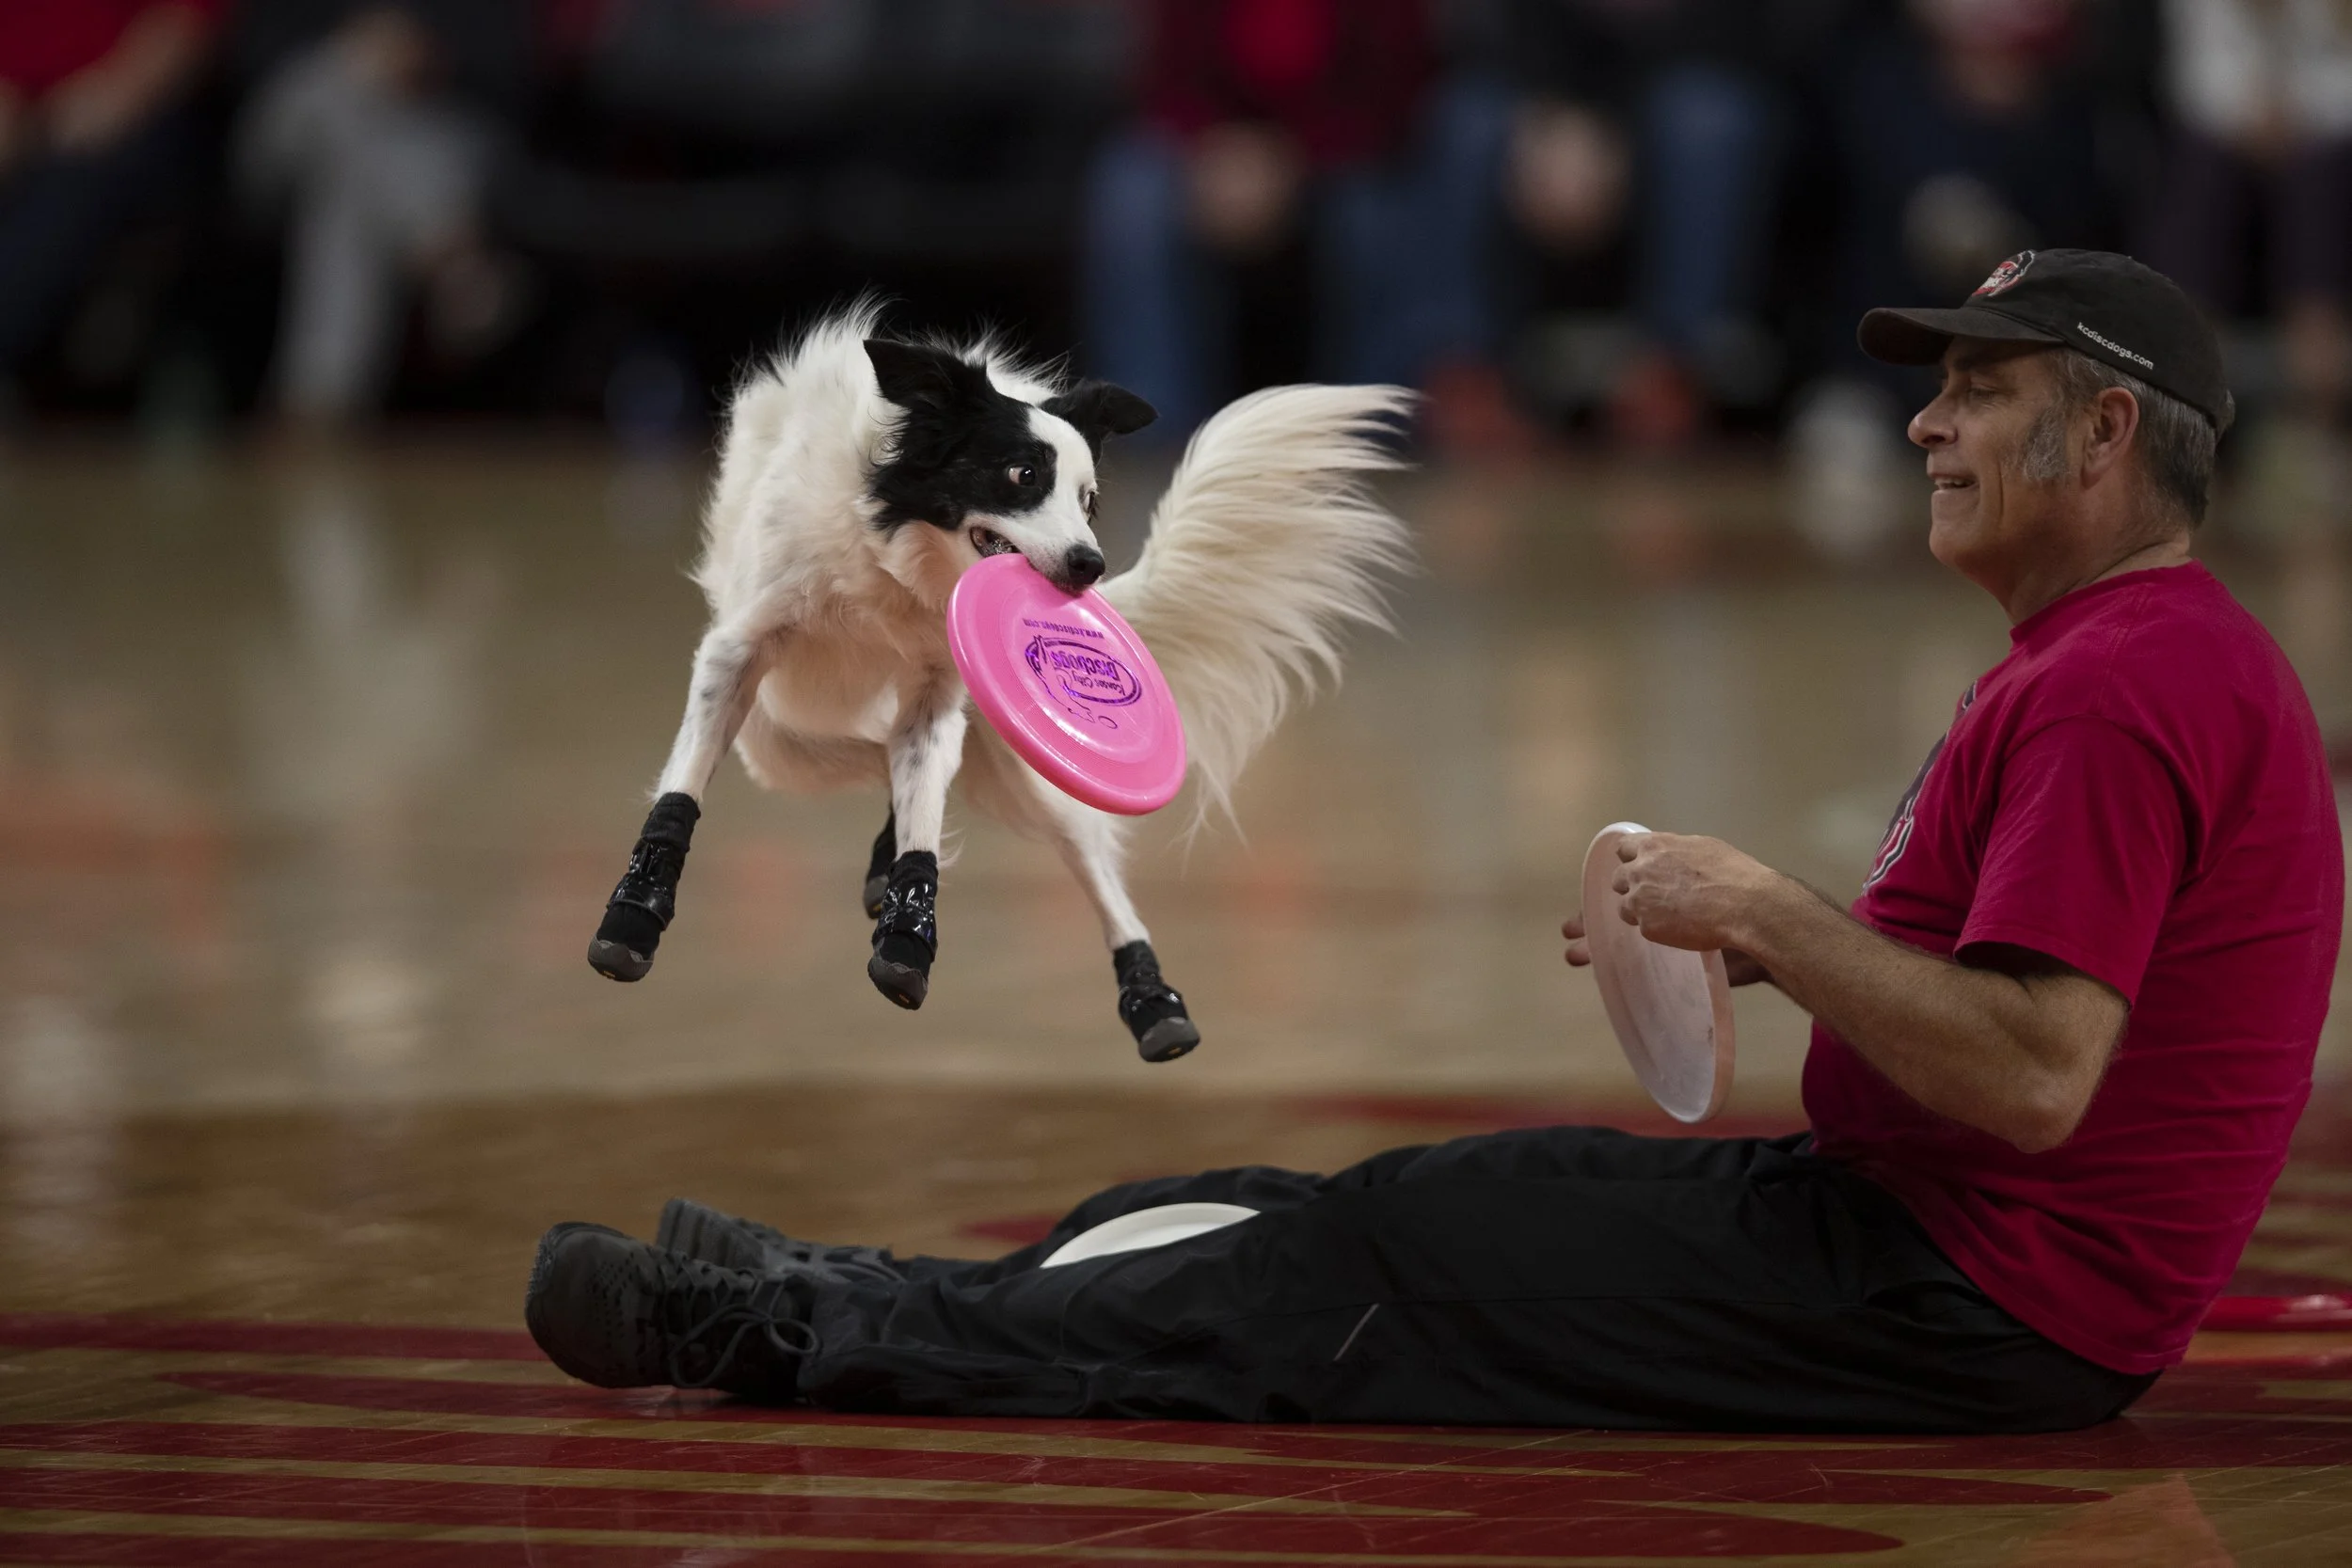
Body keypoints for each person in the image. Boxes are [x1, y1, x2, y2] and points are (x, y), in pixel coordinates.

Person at [525, 249, 2343, 1433]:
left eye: (1983, 389)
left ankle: (777, 1335)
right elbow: (2004, 1045)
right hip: (1924, 1250)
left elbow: (2036, 1080)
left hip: (1975, 1304)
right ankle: (843, 1293)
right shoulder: (2128, 661)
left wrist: (1773, 916)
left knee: (1355, 1275)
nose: (1930, 418)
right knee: (1314, 1215)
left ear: (2104, 433)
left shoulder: (2123, 686)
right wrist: (1741, 938)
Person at [0, 0, 219, 398]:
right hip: (18, 108)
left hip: (125, 110)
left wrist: (122, 89)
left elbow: (187, 20)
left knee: (69, 188)